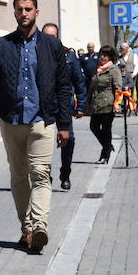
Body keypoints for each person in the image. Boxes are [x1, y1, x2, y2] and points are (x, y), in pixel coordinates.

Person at [0, 0, 71, 253]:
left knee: (41, 174)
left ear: (37, 11)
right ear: (14, 12)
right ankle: (28, 229)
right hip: (12, 120)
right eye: (20, 9)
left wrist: (65, 124)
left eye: (29, 9)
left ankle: (40, 226)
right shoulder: (3, 45)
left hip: (42, 121)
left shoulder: (52, 45)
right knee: (19, 176)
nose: (24, 13)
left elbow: (63, 86)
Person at [41, 23, 86, 191]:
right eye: (46, 36)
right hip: (43, 105)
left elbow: (79, 82)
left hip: (64, 104)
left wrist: (81, 105)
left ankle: (65, 173)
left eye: (52, 36)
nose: (49, 40)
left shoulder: (69, 56)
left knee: (69, 140)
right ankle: (45, 174)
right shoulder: (35, 53)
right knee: (42, 142)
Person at [88, 46, 122, 163]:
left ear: (110, 57)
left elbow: (118, 88)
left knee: (106, 130)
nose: (102, 57)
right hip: (97, 105)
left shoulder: (114, 69)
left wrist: (117, 103)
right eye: (101, 54)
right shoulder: (98, 69)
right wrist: (87, 103)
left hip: (108, 104)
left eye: (105, 55)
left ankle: (105, 155)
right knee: (93, 127)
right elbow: (91, 88)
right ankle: (108, 146)